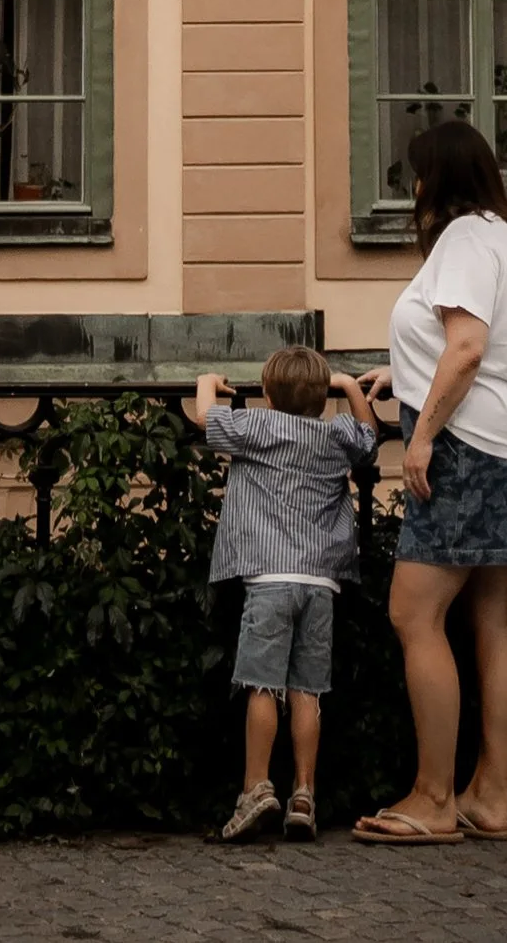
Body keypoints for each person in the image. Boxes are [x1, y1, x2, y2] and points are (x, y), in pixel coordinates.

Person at [352, 116, 507, 846]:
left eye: (415, 173)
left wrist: (423, 435)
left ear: (436, 178)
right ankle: (489, 798)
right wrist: (400, 373)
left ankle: (434, 799)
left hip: (467, 449)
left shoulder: (465, 238)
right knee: (494, 620)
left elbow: (468, 349)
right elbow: (479, 347)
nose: (410, 187)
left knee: (414, 613)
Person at [190, 341, 379, 843]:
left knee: (261, 684)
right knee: (307, 691)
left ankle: (256, 788)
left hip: (268, 577)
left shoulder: (257, 426)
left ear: (268, 394)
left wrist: (209, 379)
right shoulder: (335, 435)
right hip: (319, 581)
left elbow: (206, 417)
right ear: (322, 398)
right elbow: (369, 436)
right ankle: (304, 795)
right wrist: (346, 386)